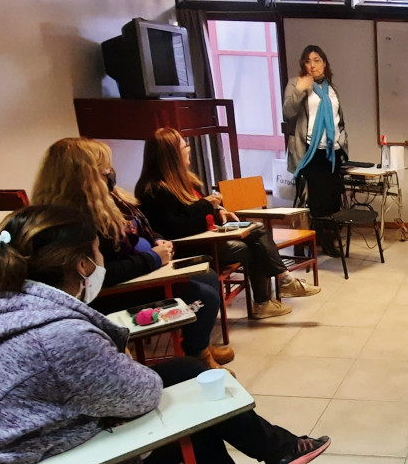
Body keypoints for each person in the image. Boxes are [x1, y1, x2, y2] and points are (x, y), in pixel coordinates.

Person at [0, 205, 330, 464]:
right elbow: (142, 394)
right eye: (98, 253)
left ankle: (267, 461)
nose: (101, 263)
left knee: (185, 370)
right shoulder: (56, 335)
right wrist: (121, 364)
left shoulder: (0, 306)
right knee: (190, 409)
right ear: (81, 265)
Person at [31, 137, 231, 369]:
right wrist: (153, 258)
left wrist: (156, 240)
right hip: (114, 291)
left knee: (207, 276)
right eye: (105, 168)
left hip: (143, 269)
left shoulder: (114, 200)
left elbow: (144, 227)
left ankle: (199, 346)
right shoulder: (75, 222)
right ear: (85, 177)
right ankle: (197, 355)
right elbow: (102, 274)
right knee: (203, 295)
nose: (111, 173)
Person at [136, 127, 319, 320]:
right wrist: (207, 204)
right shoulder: (154, 191)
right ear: (171, 154)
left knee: (255, 233)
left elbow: (194, 210)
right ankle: (275, 289)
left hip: (209, 238)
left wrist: (218, 211)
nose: (189, 149)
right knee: (256, 241)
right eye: (184, 145)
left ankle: (272, 293)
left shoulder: (184, 181)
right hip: (191, 248)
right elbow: (178, 227)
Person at [282, 44, 348, 256]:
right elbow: (288, 113)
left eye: (317, 60)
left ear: (324, 63)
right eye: (308, 61)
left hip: (332, 152)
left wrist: (343, 144)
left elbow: (339, 120)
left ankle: (328, 241)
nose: (312, 65)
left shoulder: (332, 89)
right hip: (309, 152)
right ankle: (306, 242)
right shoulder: (296, 84)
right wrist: (301, 89)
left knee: (333, 199)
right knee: (313, 201)